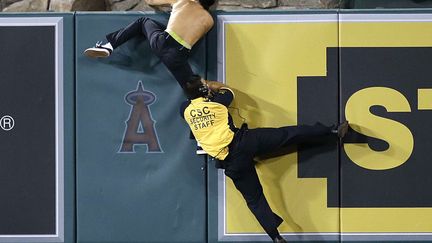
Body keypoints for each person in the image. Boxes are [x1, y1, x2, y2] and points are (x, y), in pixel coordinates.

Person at [180, 75, 349, 243]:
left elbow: (193, 104)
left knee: (255, 200)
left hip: (231, 163)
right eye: (204, 84)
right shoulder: (218, 102)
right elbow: (227, 90)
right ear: (204, 90)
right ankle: (332, 132)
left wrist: (201, 90)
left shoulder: (185, 110)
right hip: (244, 143)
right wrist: (210, 85)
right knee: (287, 134)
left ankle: (275, 237)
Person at [83, 0, 216, 88]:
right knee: (195, 90)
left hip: (163, 42)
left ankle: (108, 46)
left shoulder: (183, 1)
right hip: (179, 55)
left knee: (143, 21)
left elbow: (150, 1)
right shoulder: (209, 20)